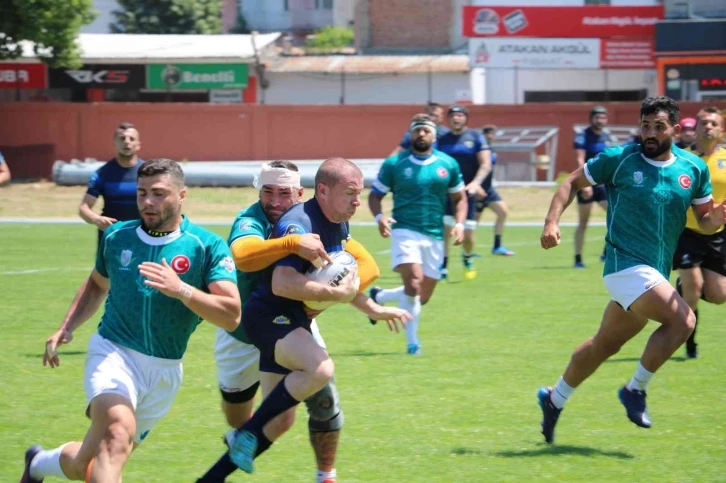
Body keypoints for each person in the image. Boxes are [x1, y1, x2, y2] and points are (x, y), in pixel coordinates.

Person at [21, 158, 241, 482]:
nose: (148, 202)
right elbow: (98, 282)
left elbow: (232, 315)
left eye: (158, 193)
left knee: (88, 464)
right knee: (118, 432)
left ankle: (38, 463)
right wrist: (67, 327)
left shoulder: (205, 246)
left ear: (182, 195)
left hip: (165, 370)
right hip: (113, 353)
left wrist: (182, 290)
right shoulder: (117, 236)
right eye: (142, 193)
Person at [537, 96, 726, 444]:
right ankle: (634, 389)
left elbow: (705, 221)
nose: (650, 133)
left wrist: (716, 219)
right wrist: (551, 222)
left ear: (674, 129)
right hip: (623, 265)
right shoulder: (619, 159)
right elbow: (570, 182)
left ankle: (554, 398)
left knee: (604, 345)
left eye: (658, 127)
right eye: (645, 125)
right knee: (684, 321)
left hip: (655, 272)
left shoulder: (693, 169)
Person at [209, 157, 410, 477]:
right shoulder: (253, 220)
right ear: (258, 191)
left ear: (300, 193)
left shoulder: (316, 220)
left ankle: (326, 475)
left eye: (285, 193)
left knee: (320, 400)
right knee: (241, 419)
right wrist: (292, 244)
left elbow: (364, 267)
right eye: (268, 192)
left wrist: (325, 301)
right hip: (240, 334)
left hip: (291, 323)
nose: (276, 201)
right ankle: (230, 453)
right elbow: (243, 257)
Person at [368, 113, 467, 355]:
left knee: (422, 296)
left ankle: (380, 296)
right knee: (413, 283)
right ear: (410, 134)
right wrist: (380, 218)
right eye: (417, 130)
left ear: (434, 136)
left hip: (435, 234)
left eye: (426, 130)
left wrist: (460, 224)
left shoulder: (448, 164)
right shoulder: (395, 164)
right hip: (404, 229)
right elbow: (375, 195)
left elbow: (460, 198)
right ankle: (413, 344)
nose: (421, 134)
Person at [673, 107, 726, 359]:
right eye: (703, 123)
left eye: (713, 123)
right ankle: (689, 343)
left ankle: (683, 285)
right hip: (687, 232)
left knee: (719, 295)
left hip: (718, 233)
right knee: (693, 291)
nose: (708, 127)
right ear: (694, 129)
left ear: (721, 130)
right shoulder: (681, 159)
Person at [437, 105, 492, 279]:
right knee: (445, 230)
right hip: (445, 192)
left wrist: (476, 183)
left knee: (467, 235)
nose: (456, 118)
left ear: (466, 118)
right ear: (448, 119)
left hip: (467, 193)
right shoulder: (441, 139)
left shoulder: (476, 137)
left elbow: (485, 164)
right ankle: (443, 267)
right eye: (453, 115)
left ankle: (467, 256)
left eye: (460, 115)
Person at [79, 122, 143, 244]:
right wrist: (96, 219)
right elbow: (84, 208)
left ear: (138, 145)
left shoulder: (148, 173)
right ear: (114, 143)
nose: (127, 142)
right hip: (111, 237)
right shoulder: (102, 174)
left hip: (143, 237)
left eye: (131, 138)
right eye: (122, 138)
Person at [573, 106, 611, 268]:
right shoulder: (582, 136)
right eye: (597, 117)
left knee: (616, 216)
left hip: (602, 184)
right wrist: (585, 184)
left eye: (603, 117)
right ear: (591, 119)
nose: (600, 120)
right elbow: (579, 159)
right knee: (583, 222)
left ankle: (606, 252)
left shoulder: (606, 136)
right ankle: (578, 259)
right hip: (586, 183)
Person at [474, 125, 515, 256]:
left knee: (503, 212)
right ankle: (467, 251)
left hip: (489, 190)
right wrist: (476, 185)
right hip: (478, 190)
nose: (490, 136)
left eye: (492, 133)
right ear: (483, 135)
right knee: (473, 222)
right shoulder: (478, 150)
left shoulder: (492, 151)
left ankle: (497, 246)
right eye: (487, 133)